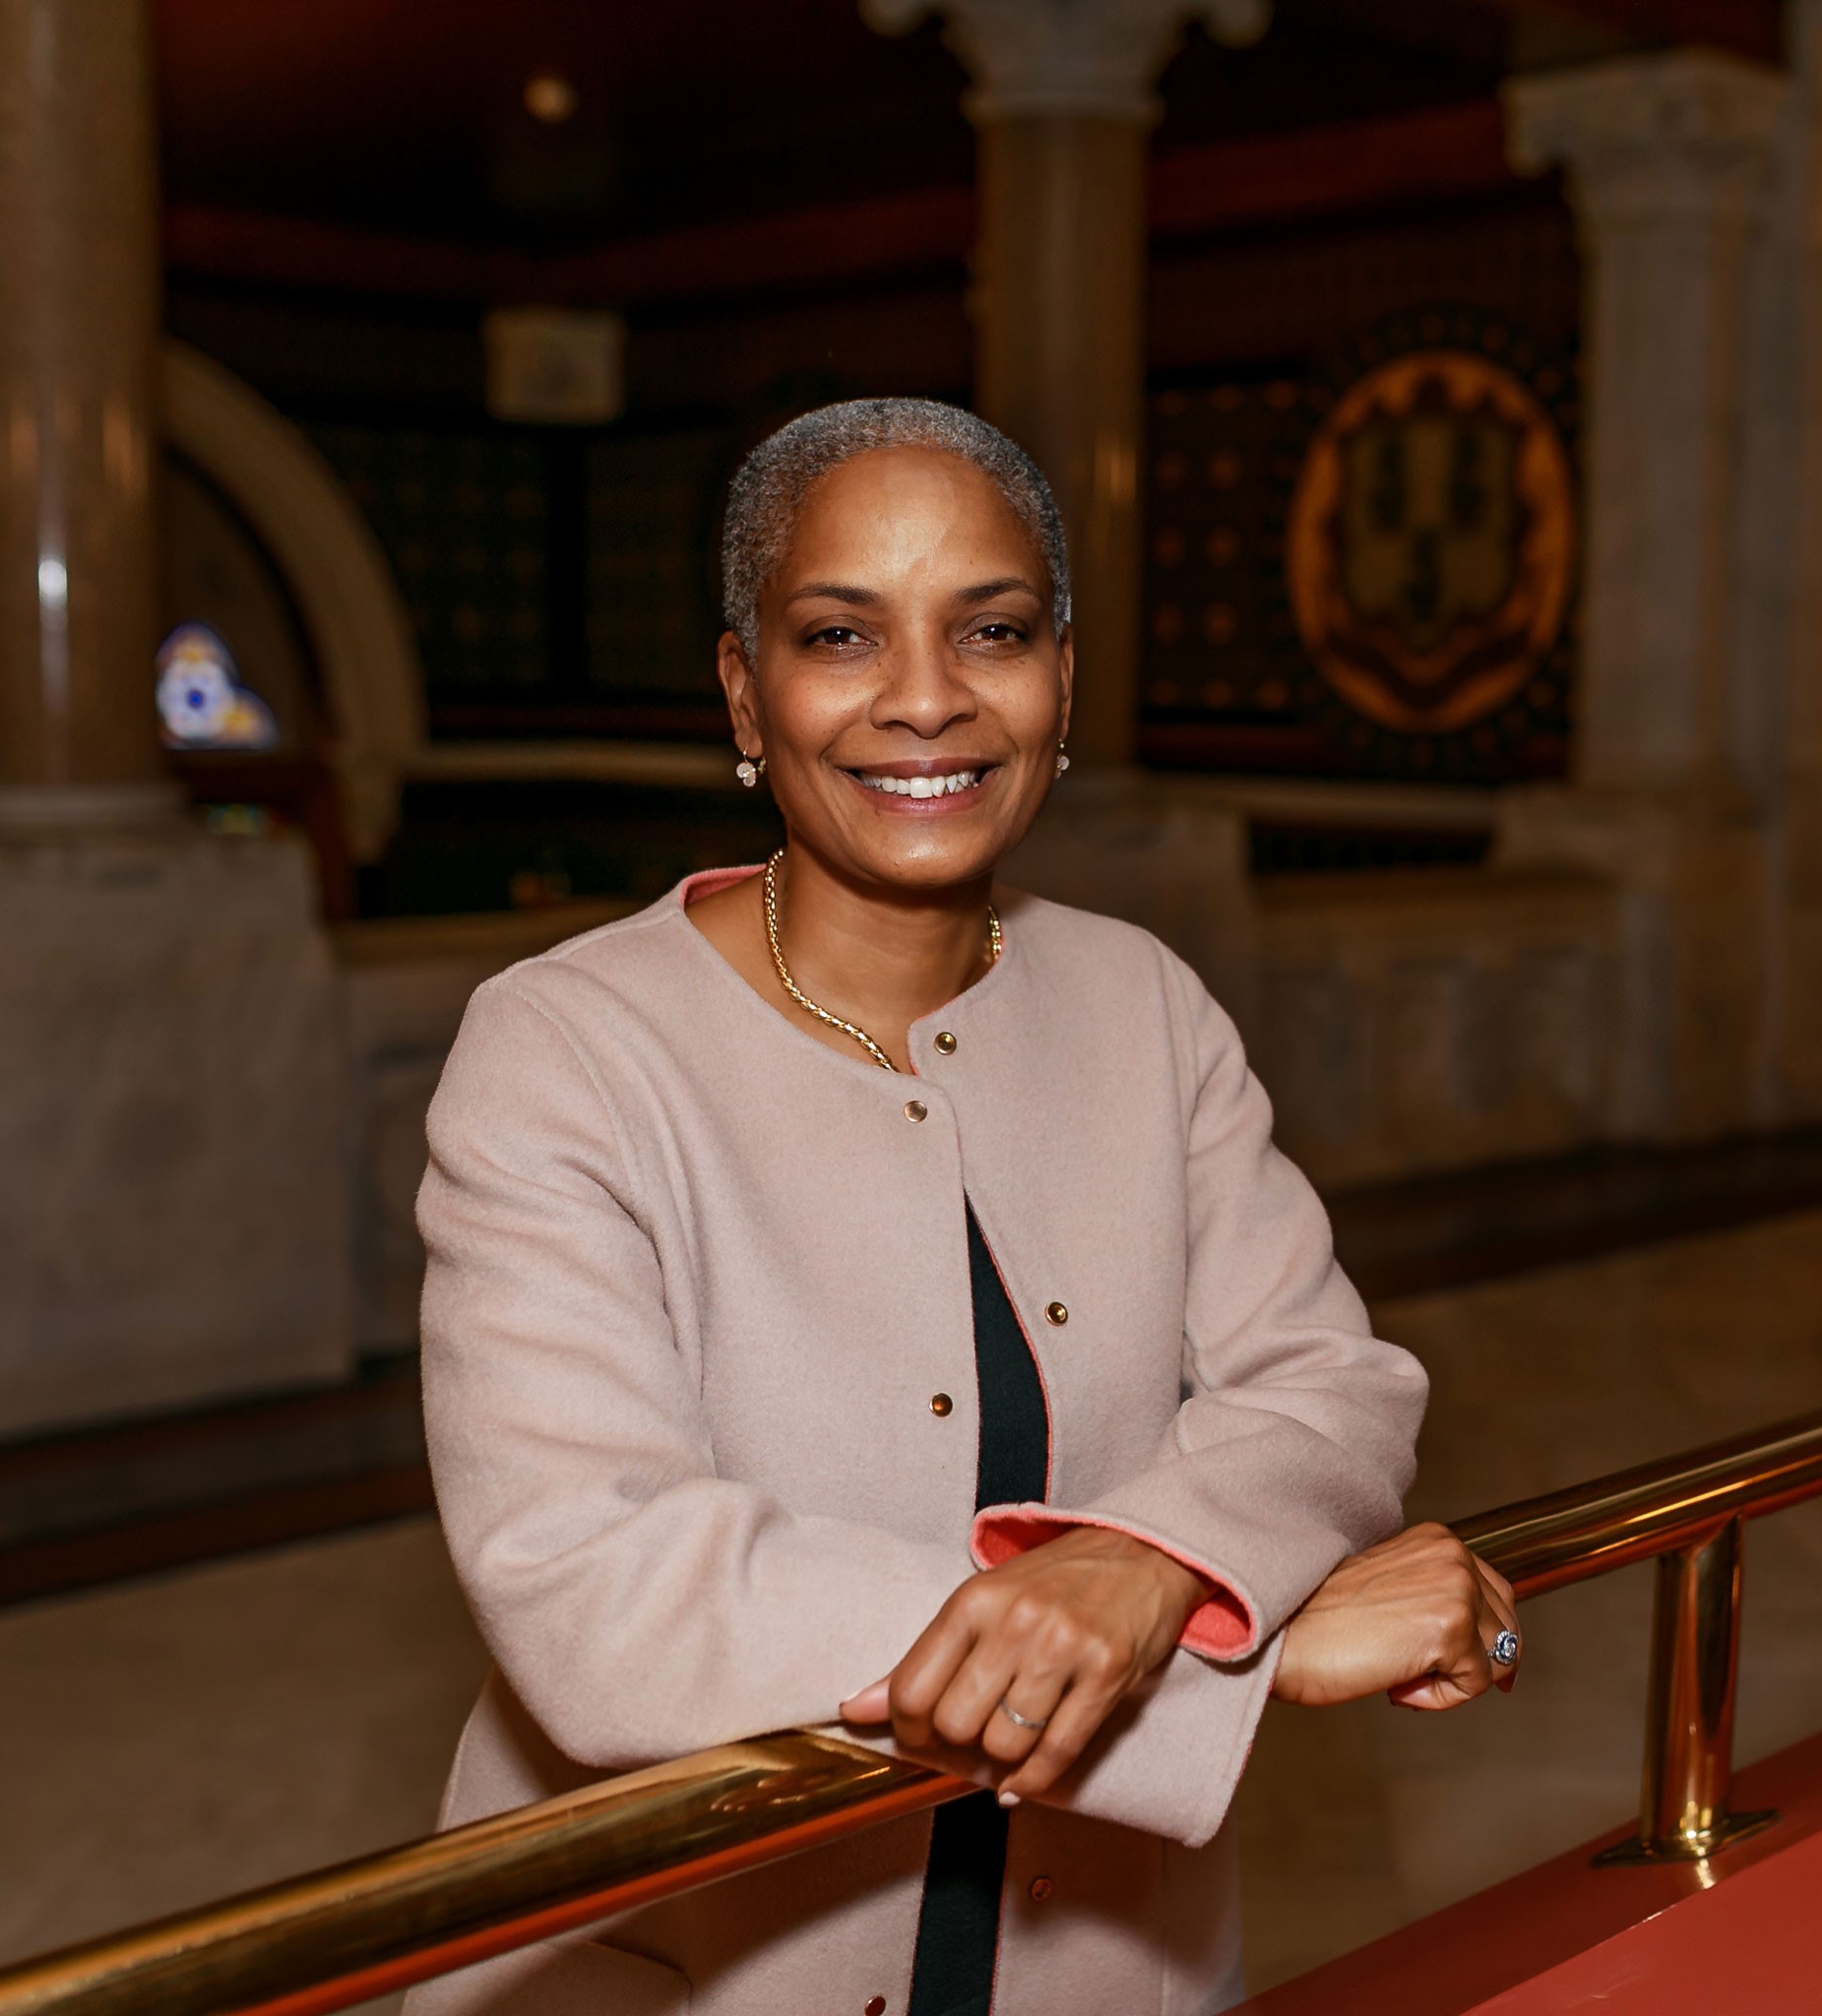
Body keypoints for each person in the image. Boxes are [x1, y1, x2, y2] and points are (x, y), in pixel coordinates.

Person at [407, 398, 1520, 2016]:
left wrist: (1149, 1569)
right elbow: (598, 1586)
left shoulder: (1146, 1001)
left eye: (989, 630)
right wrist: (1227, 1650)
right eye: (840, 634)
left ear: (1060, 678)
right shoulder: (567, 1049)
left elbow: (1332, 1382)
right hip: (691, 1959)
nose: (924, 698)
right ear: (744, 689)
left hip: (1097, 1954)